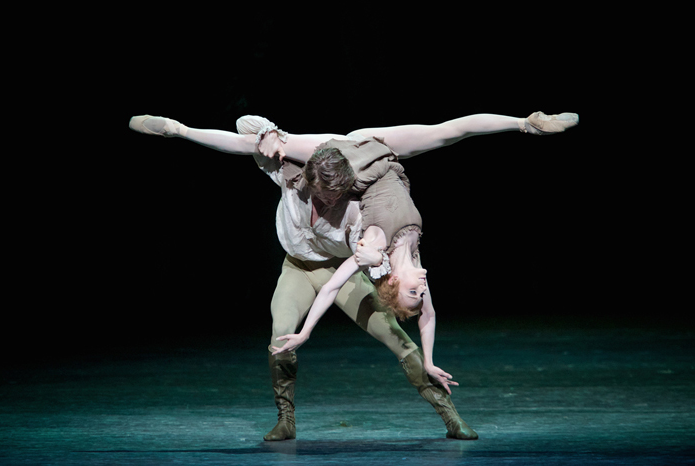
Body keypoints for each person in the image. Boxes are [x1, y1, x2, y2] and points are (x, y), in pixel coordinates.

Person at [129, 110, 578, 441]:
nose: (323, 196)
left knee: (397, 339)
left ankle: (449, 414)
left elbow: (355, 279)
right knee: (279, 336)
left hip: (343, 256)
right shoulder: (288, 173)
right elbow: (245, 130)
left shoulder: (361, 217)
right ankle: (285, 418)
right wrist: (197, 131)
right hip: (298, 268)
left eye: (331, 190)